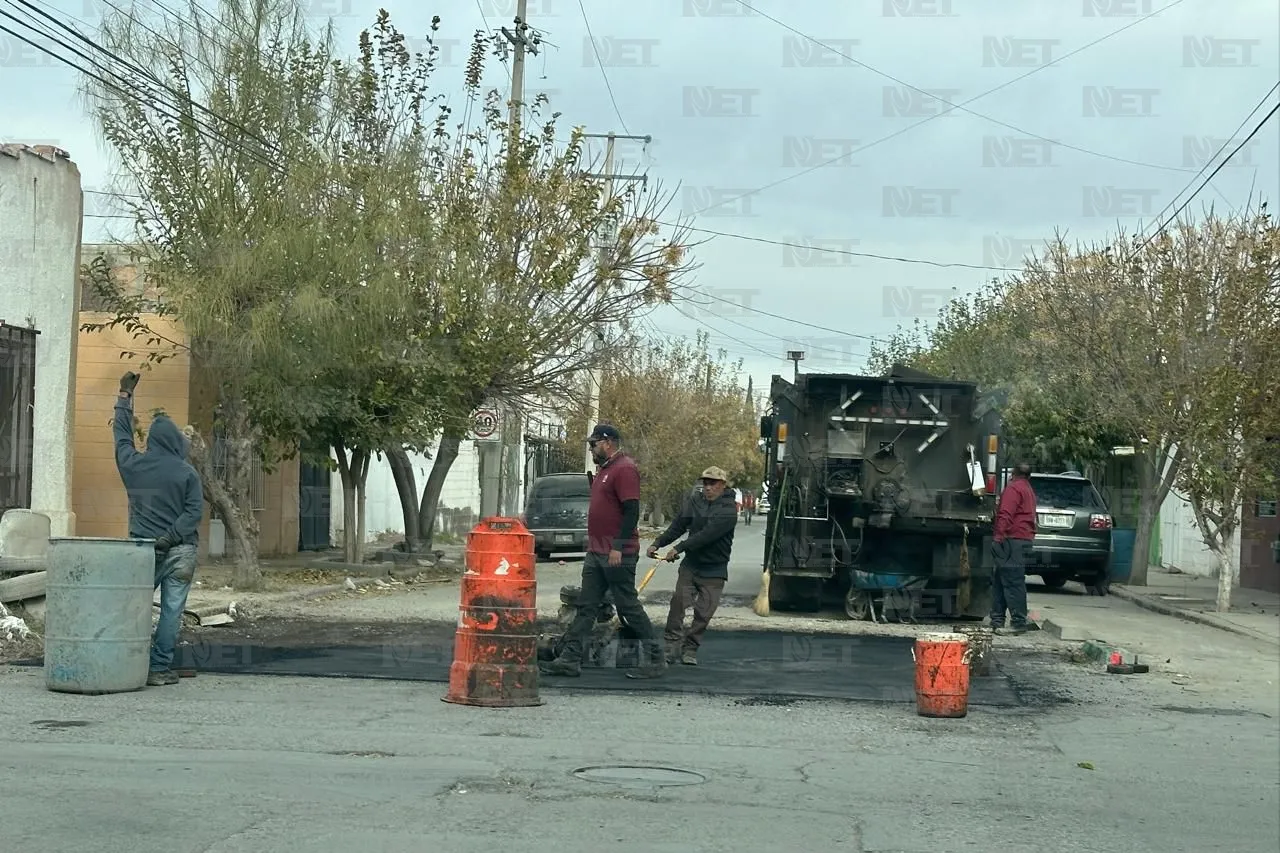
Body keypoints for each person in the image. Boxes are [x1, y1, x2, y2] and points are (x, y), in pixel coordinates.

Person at [540, 424, 666, 679]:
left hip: (617, 553)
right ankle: (569, 659)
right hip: (597, 553)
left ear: (607, 442)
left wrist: (618, 546)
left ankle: (655, 659)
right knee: (587, 607)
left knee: (627, 607)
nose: (591, 448)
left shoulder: (625, 469)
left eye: (593, 444)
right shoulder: (605, 470)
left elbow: (631, 511)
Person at [114, 371, 205, 686]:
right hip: (180, 551)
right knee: (171, 611)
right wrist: (173, 536)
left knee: (134, 608)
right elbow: (195, 511)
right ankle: (158, 669)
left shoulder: (133, 465)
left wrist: (124, 397)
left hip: (143, 550)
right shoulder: (187, 473)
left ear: (152, 441)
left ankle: (125, 663)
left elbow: (122, 437)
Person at [647, 467, 738, 666]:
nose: (708, 487)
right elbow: (678, 526)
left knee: (703, 613)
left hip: (714, 570)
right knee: (679, 603)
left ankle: (691, 649)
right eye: (705, 483)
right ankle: (671, 647)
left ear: (723, 485)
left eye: (712, 483)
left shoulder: (729, 510)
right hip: (691, 566)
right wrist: (658, 543)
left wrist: (679, 548)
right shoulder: (695, 501)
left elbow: (707, 534)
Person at [991, 461, 1040, 635]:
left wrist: (997, 537)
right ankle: (997, 619)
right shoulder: (1028, 490)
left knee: (1012, 582)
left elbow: (1005, 514)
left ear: (1013, 473)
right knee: (1000, 580)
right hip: (1023, 539)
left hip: (1012, 540)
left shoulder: (1013, 489)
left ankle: (1018, 622)